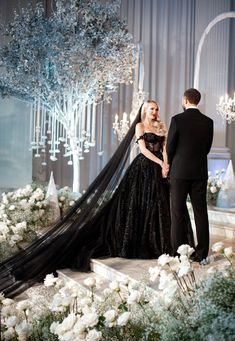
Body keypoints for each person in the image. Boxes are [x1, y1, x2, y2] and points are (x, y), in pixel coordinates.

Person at [0, 100, 193, 298]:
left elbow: (166, 149)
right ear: (144, 110)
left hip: (160, 171)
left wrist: (166, 165)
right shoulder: (140, 126)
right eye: (151, 109)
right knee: (139, 206)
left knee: (158, 207)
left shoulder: (161, 126)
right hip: (143, 169)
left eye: (156, 109)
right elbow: (144, 150)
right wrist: (160, 162)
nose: (155, 112)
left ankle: (158, 243)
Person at [166, 88, 214, 263]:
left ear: (185, 100)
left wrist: (168, 165)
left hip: (179, 172)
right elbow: (207, 148)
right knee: (201, 213)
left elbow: (170, 147)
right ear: (197, 101)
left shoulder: (177, 119)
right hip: (199, 172)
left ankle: (179, 254)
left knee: (177, 213)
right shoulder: (208, 122)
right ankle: (202, 254)